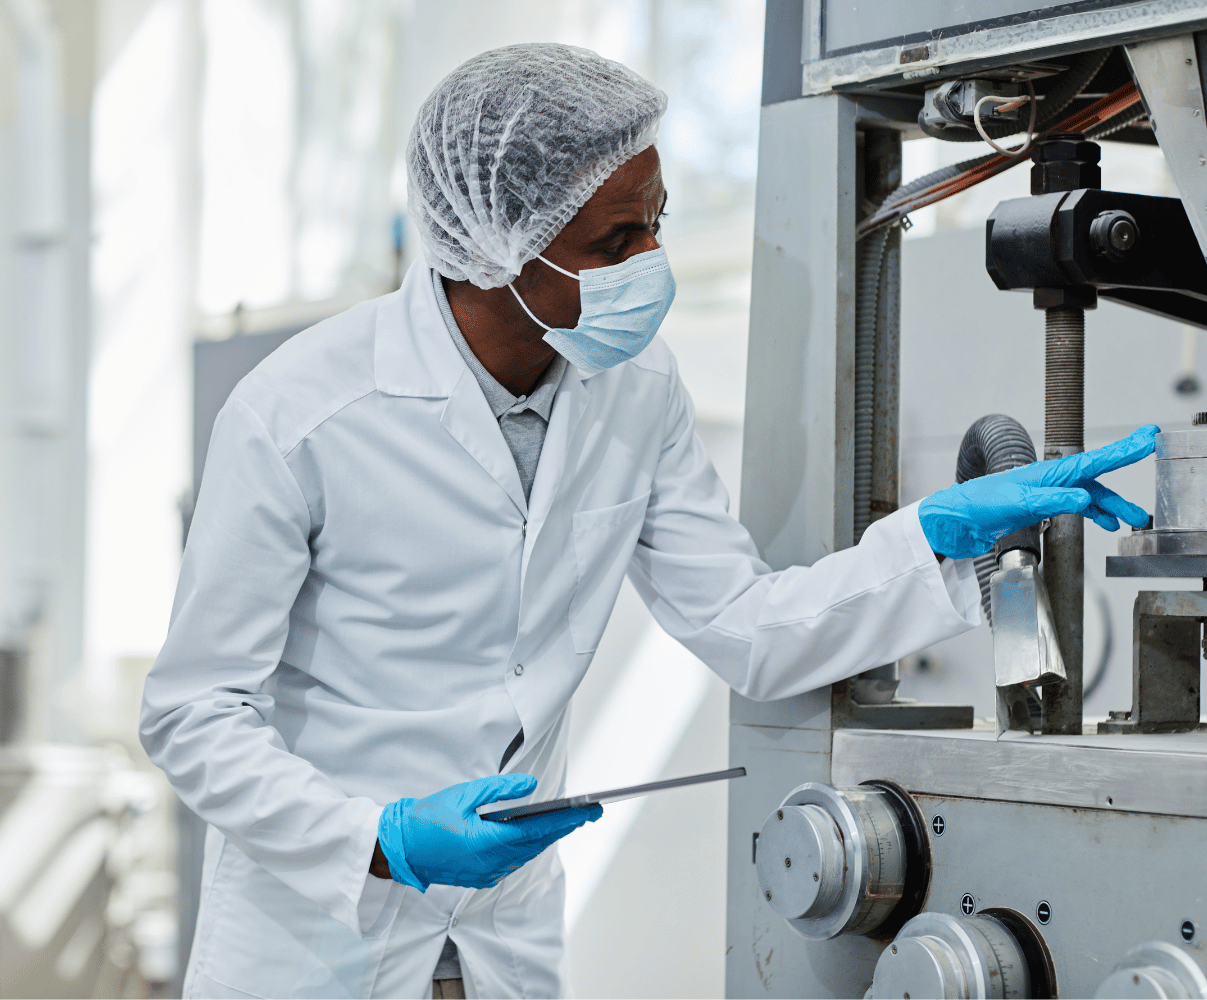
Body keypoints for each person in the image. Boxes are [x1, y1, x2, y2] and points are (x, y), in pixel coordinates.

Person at [140, 43, 1155, 999]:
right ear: (500, 247)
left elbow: (748, 626)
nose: (651, 262)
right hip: (324, 939)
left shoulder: (635, 387)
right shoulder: (304, 414)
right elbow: (192, 712)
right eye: (616, 240)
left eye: (658, 222)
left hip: (499, 939)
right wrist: (380, 836)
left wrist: (938, 536)